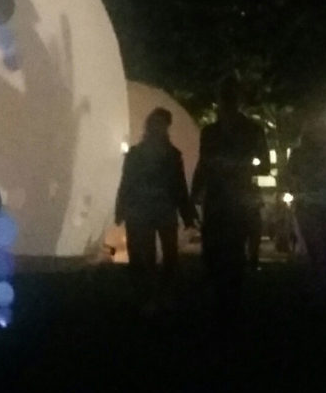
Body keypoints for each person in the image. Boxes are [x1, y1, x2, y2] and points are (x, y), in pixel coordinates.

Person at [191, 76, 269, 314]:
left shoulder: (250, 131)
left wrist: (239, 166)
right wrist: (195, 193)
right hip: (221, 195)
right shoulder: (213, 132)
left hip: (235, 195)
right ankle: (222, 294)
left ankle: (229, 297)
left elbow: (263, 165)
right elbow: (204, 164)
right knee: (216, 247)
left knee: (233, 247)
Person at [115, 107, 197, 314]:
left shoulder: (169, 155)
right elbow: (127, 183)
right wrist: (122, 207)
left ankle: (160, 294)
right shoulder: (140, 154)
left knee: (168, 254)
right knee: (146, 254)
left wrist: (187, 214)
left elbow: (179, 186)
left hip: (161, 209)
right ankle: (150, 296)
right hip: (145, 210)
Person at [285, 122, 326, 299]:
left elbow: (291, 178)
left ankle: (320, 281)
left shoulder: (298, 154)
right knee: (322, 244)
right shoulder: (302, 155)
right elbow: (291, 178)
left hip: (312, 204)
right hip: (316, 203)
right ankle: (322, 281)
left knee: (318, 245)